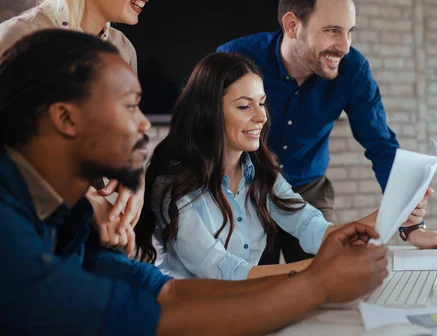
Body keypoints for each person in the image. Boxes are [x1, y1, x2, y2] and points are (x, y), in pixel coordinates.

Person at [0, 29, 388, 335]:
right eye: (129, 105)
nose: (143, 124)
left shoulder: (75, 221)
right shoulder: (9, 231)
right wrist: (319, 282)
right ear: (65, 119)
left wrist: (330, 264)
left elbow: (167, 294)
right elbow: (155, 318)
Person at [134, 52, 429, 280]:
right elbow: (224, 272)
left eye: (262, 103)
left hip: (247, 306)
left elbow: (312, 227)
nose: (261, 117)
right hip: (194, 317)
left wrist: (394, 213)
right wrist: (321, 271)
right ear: (209, 112)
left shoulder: (261, 171)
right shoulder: (174, 182)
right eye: (244, 106)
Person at [217, 0, 437, 264]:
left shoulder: (353, 69)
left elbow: (380, 144)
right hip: (247, 193)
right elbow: (203, 132)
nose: (345, 46)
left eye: (349, 32)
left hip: (309, 190)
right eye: (332, 30)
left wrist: (410, 222)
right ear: (292, 25)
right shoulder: (235, 59)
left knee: (329, 273)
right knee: (258, 285)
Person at [0, 0, 164, 252]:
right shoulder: (16, 39)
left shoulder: (123, 50)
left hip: (98, 243)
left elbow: (124, 136)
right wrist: (83, 203)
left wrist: (135, 183)